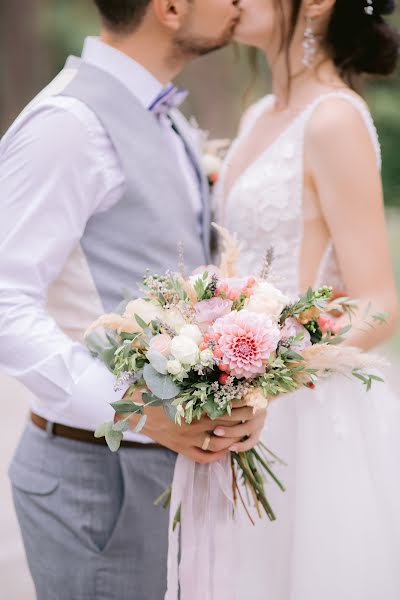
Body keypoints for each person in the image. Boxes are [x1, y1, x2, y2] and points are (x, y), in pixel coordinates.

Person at [0, 1, 269, 598]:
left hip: (161, 472)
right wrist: (132, 407)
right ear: (171, 8)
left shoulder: (165, 117)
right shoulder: (67, 123)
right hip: (97, 481)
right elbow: (4, 302)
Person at [215, 0, 400, 597]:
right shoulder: (258, 114)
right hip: (238, 400)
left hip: (305, 408)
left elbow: (378, 300)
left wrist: (274, 371)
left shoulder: (333, 120)